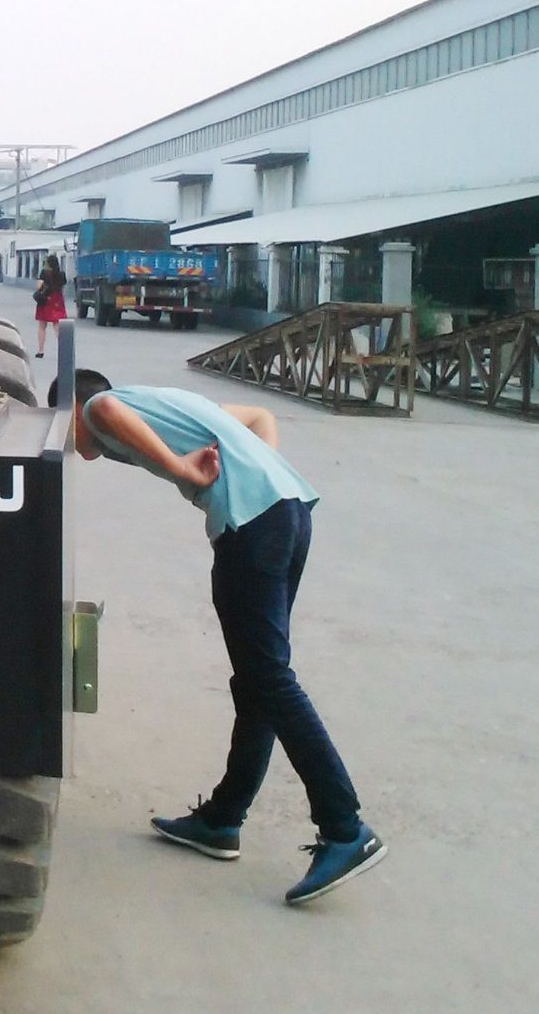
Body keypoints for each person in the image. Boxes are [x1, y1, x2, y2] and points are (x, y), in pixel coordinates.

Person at [51, 368, 386, 905]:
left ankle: (345, 828)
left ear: (70, 408)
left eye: (58, 425)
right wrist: (262, 477)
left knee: (270, 679)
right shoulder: (166, 399)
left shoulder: (100, 407)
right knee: (257, 680)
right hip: (289, 515)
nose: (66, 440)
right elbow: (260, 418)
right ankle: (223, 820)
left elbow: (105, 412)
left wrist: (181, 467)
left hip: (252, 532)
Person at [32, 253, 67, 358]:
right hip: (57, 300)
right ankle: (63, 351)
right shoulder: (61, 274)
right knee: (57, 327)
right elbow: (62, 287)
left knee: (42, 326)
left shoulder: (44, 273)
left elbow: (38, 286)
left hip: (45, 300)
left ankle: (40, 350)